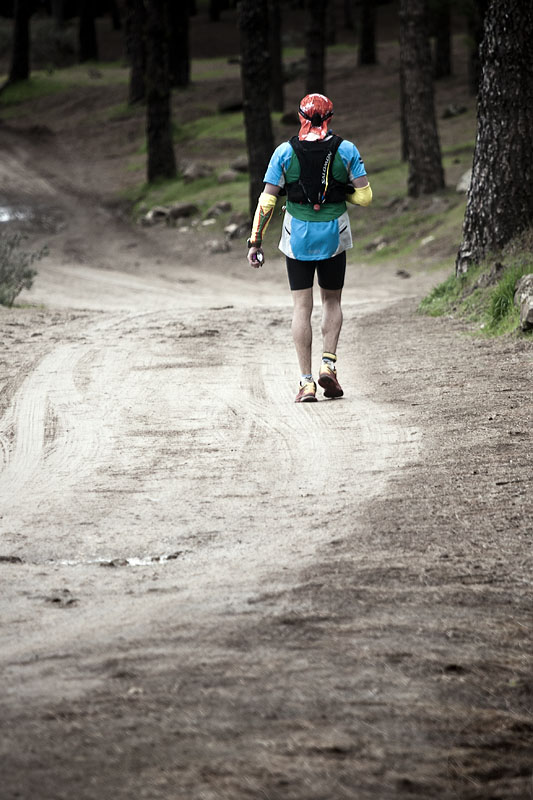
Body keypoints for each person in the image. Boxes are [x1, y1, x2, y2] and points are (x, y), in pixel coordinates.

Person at [246, 93, 372, 403]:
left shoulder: (284, 153)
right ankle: (328, 364)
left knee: (302, 307)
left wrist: (255, 240)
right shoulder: (346, 150)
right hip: (334, 236)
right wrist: (341, 195)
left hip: (297, 236)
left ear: (301, 117)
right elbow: (365, 197)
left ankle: (306, 383)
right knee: (331, 301)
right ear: (330, 117)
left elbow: (268, 200)